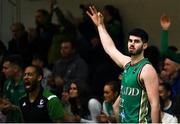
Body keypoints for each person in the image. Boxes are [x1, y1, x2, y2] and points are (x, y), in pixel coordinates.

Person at [86, 6, 160, 123]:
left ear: (144, 45)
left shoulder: (147, 70)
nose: (132, 44)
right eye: (130, 41)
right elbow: (110, 48)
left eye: (136, 42)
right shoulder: (127, 63)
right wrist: (100, 26)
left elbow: (155, 104)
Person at [1, 55, 25, 122]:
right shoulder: (7, 83)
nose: (3, 71)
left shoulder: (29, 83)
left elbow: (35, 109)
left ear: (15, 68)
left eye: (6, 68)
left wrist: (13, 107)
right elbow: (5, 108)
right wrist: (4, 106)